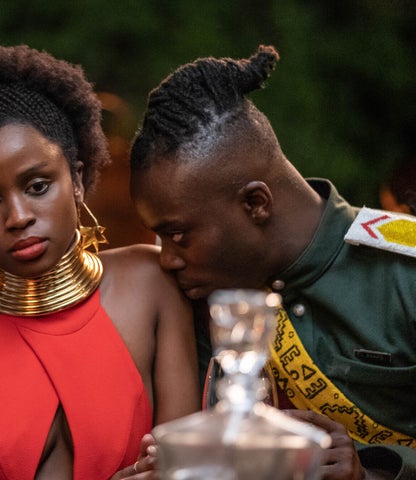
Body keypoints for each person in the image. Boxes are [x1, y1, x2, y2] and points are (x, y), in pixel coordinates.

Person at [0, 44, 200, 479]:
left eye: (37, 186)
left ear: (76, 178)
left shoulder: (152, 284)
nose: (18, 217)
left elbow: (187, 469)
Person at [129, 45, 416, 479]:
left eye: (178, 235)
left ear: (255, 203)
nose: (167, 258)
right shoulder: (198, 295)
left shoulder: (404, 271)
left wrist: (372, 472)